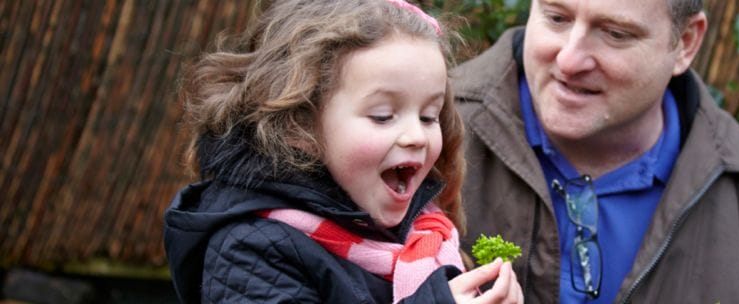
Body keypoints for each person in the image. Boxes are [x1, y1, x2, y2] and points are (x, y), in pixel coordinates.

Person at [452, 0, 739, 302]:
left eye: (615, 34)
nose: (569, 60)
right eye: (557, 17)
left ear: (685, 43)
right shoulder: (424, 142)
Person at [163, 0, 523, 302]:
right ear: (299, 126)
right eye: (383, 116)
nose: (416, 135)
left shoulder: (425, 233)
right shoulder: (250, 250)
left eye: (429, 116)